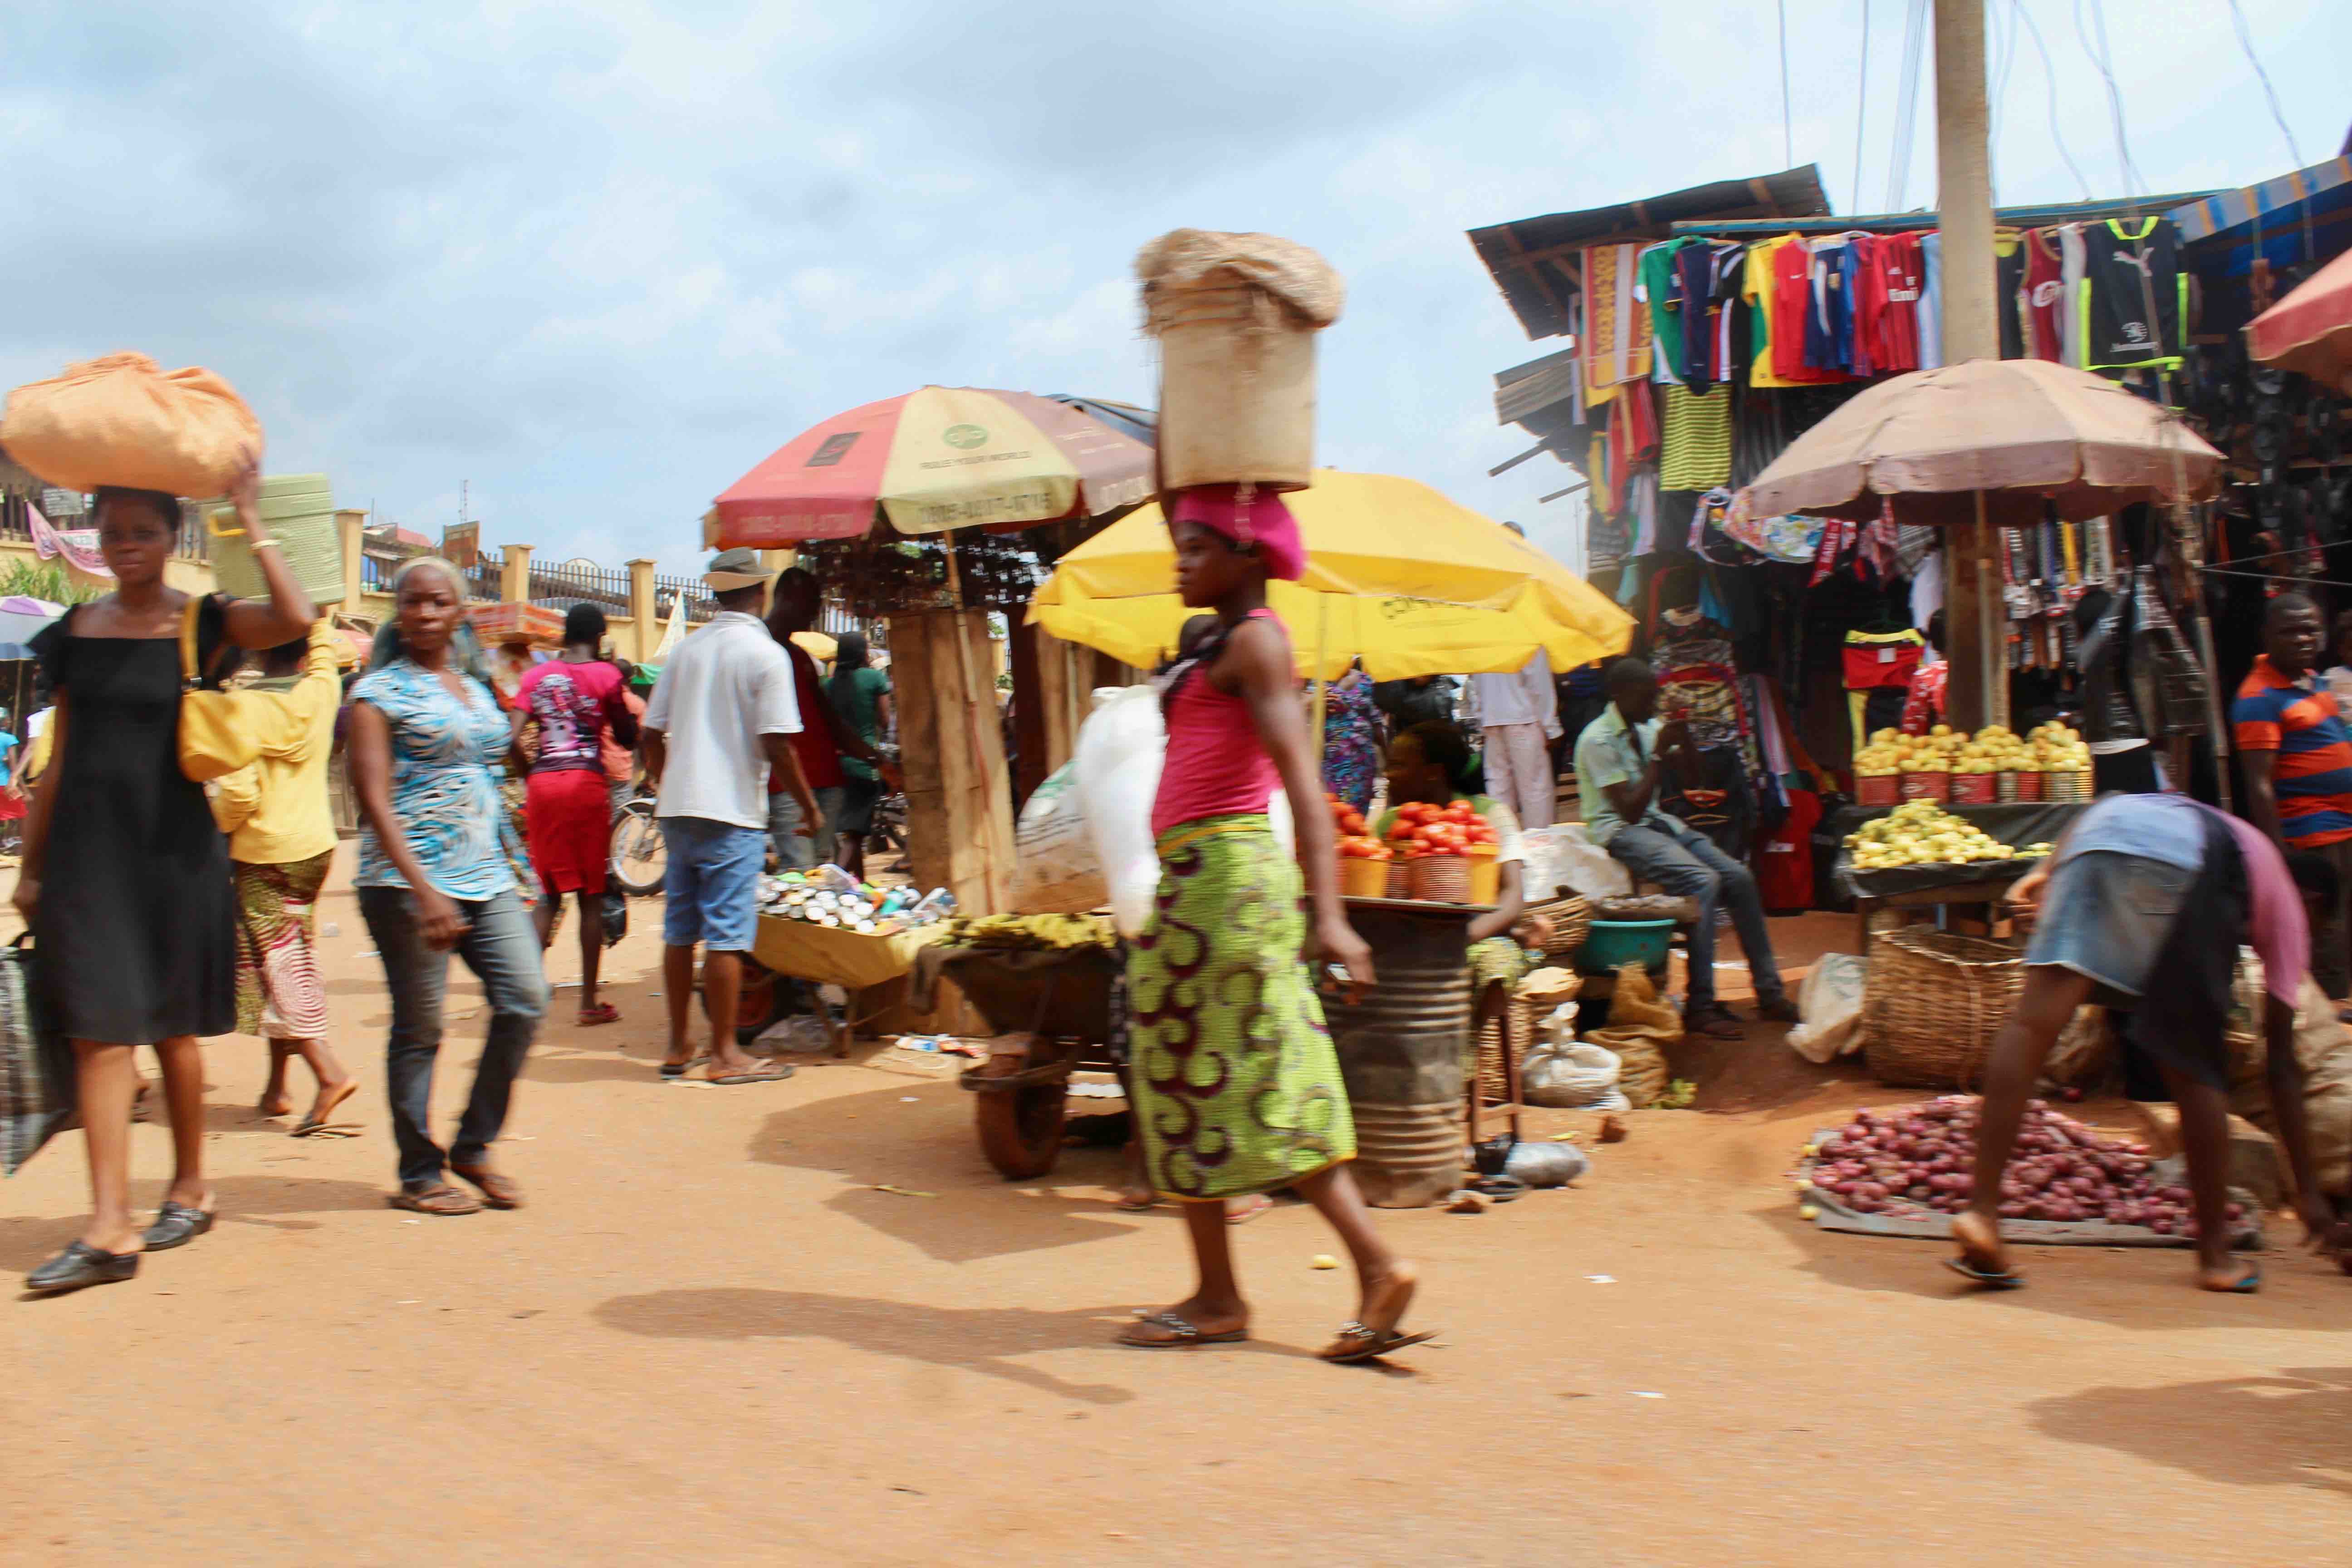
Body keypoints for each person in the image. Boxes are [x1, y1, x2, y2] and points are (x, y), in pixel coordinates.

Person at [1117, 483, 1430, 1364]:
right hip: (1205, 882)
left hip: (1222, 883)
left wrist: (1331, 918)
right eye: (1178, 546)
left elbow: (1302, 781)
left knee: (1211, 1071)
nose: (1179, 560)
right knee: (1239, 1073)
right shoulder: (1216, 638)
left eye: (1198, 548)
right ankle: (1333, 1271)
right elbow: (1172, 487)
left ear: (1251, 558)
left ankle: (1253, 1289)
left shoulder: (1256, 641)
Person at [16, 462, 318, 1292]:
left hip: (176, 857)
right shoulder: (75, 631)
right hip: (87, 858)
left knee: (171, 1030)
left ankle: (190, 1182)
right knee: (98, 1032)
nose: (126, 547)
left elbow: (295, 616)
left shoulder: (205, 623)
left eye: (142, 531)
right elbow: (62, 755)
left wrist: (250, 517)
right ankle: (110, 1224)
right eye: (112, 532)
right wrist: (33, 868)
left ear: (172, 536)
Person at [1952, 788, 2338, 1291]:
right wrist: (2309, 1193)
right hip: (2183, 866)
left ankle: (1982, 1212)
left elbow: (2106, 803)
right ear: (2313, 903)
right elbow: (2283, 1064)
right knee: (2195, 1062)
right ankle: (2216, 1257)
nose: (2313, 936)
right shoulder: (2287, 905)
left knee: (2030, 1024)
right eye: (2321, 924)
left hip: (2097, 839)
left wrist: (2043, 870)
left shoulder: (2191, 811)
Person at [348, 557, 549, 1216]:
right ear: (398, 612)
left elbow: (497, 764)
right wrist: (423, 889)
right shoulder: (378, 694)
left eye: (439, 603)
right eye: (413, 603)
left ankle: (474, 1145)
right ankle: (417, 1172)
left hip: (486, 873)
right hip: (405, 880)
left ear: (461, 612)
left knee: (525, 998)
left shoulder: (473, 685)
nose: (426, 614)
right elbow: (370, 798)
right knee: (422, 1026)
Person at [642, 549, 816, 1085]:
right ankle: (724, 1055)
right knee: (726, 936)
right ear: (760, 593)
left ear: (718, 593)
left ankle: (677, 1046)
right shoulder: (766, 655)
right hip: (733, 810)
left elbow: (650, 733)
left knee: (679, 932)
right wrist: (809, 807)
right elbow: (778, 744)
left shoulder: (686, 652)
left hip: (679, 809)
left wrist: (665, 780)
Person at [1573, 658, 1797, 1038]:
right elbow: (1629, 812)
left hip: (1662, 825)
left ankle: (1770, 993)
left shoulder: (1647, 729)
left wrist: (1686, 740)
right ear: (1620, 695)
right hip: (1621, 832)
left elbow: (1697, 782)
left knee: (1739, 878)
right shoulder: (1597, 740)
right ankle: (1701, 1006)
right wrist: (1660, 756)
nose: (1655, 705)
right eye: (1648, 697)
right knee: (1702, 881)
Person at [211, 620, 358, 1136]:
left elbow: (238, 795)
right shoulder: (322, 690)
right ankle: (276, 1088)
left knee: (279, 964)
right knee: (287, 956)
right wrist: (312, 616)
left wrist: (217, 827)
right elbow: (327, 653)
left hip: (263, 853)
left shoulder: (242, 707)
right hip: (314, 850)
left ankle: (328, 1070)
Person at [514, 604, 639, 1028]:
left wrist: (528, 770)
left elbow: (508, 736)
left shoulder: (534, 677)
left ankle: (522, 995)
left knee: (548, 893)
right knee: (590, 894)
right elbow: (626, 735)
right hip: (585, 786)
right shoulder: (607, 676)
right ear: (601, 637)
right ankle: (588, 1002)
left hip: (543, 787)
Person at [1377, 720, 1542, 1025]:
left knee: (1495, 965)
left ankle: (1479, 1064)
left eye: (1399, 765)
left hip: (1476, 934)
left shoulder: (1490, 815)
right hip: (1405, 938)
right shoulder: (1389, 823)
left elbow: (1512, 897)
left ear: (1434, 772)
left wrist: (1461, 940)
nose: (1388, 774)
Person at [2236, 593, 2352, 1004]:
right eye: (2291, 631)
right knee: (2329, 935)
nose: (2303, 638)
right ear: (2267, 636)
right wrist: (2280, 855)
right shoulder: (2259, 696)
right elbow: (2259, 783)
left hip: (2341, 826)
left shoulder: (2313, 683)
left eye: (2310, 629)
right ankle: (2330, 1026)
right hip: (2312, 832)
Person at [764, 567, 898, 870]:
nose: (812, 615)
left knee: (819, 874)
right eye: (809, 605)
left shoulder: (800, 657)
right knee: (799, 872)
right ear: (785, 597)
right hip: (788, 788)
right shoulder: (758, 650)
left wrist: (877, 760)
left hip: (826, 781)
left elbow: (831, 723)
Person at [825, 630, 893, 878]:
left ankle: (859, 885)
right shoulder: (874, 678)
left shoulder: (828, 684)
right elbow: (885, 721)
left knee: (853, 830)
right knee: (855, 834)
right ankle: (834, 882)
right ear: (864, 653)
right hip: (864, 763)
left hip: (833, 765)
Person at [1468, 650, 1562, 829]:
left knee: (1499, 790)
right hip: (1523, 720)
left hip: (1492, 721)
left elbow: (1475, 688)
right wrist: (1552, 727)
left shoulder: (1480, 640)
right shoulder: (1527, 635)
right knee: (1535, 790)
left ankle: (1505, 842)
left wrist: (1482, 721)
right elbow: (1540, 685)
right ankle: (1538, 846)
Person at [1319, 663, 1382, 817]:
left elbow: (1376, 720)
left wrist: (1387, 754)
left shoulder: (1366, 681)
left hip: (1362, 758)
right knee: (1333, 807)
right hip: (1333, 758)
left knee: (1358, 812)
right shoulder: (1319, 679)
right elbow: (1300, 706)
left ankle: (1357, 839)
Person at [603, 658, 648, 822]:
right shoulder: (637, 704)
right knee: (620, 824)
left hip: (595, 768)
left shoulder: (599, 698)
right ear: (631, 679)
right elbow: (644, 740)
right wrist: (649, 773)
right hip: (620, 769)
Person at [1899, 612, 1950, 736]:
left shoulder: (1925, 677)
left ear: (1932, 645)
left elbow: (1912, 729)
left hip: (1939, 750)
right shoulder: (1983, 674)